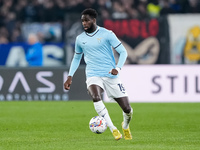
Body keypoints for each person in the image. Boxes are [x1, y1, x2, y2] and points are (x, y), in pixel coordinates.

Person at [64, 8, 133, 140]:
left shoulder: (107, 34)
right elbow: (77, 58)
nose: (84, 23)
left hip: (110, 75)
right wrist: (70, 76)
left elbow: (123, 52)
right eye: (82, 21)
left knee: (127, 109)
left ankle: (125, 125)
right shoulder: (80, 39)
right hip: (92, 74)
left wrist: (118, 68)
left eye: (87, 20)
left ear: (94, 20)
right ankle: (113, 129)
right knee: (95, 96)